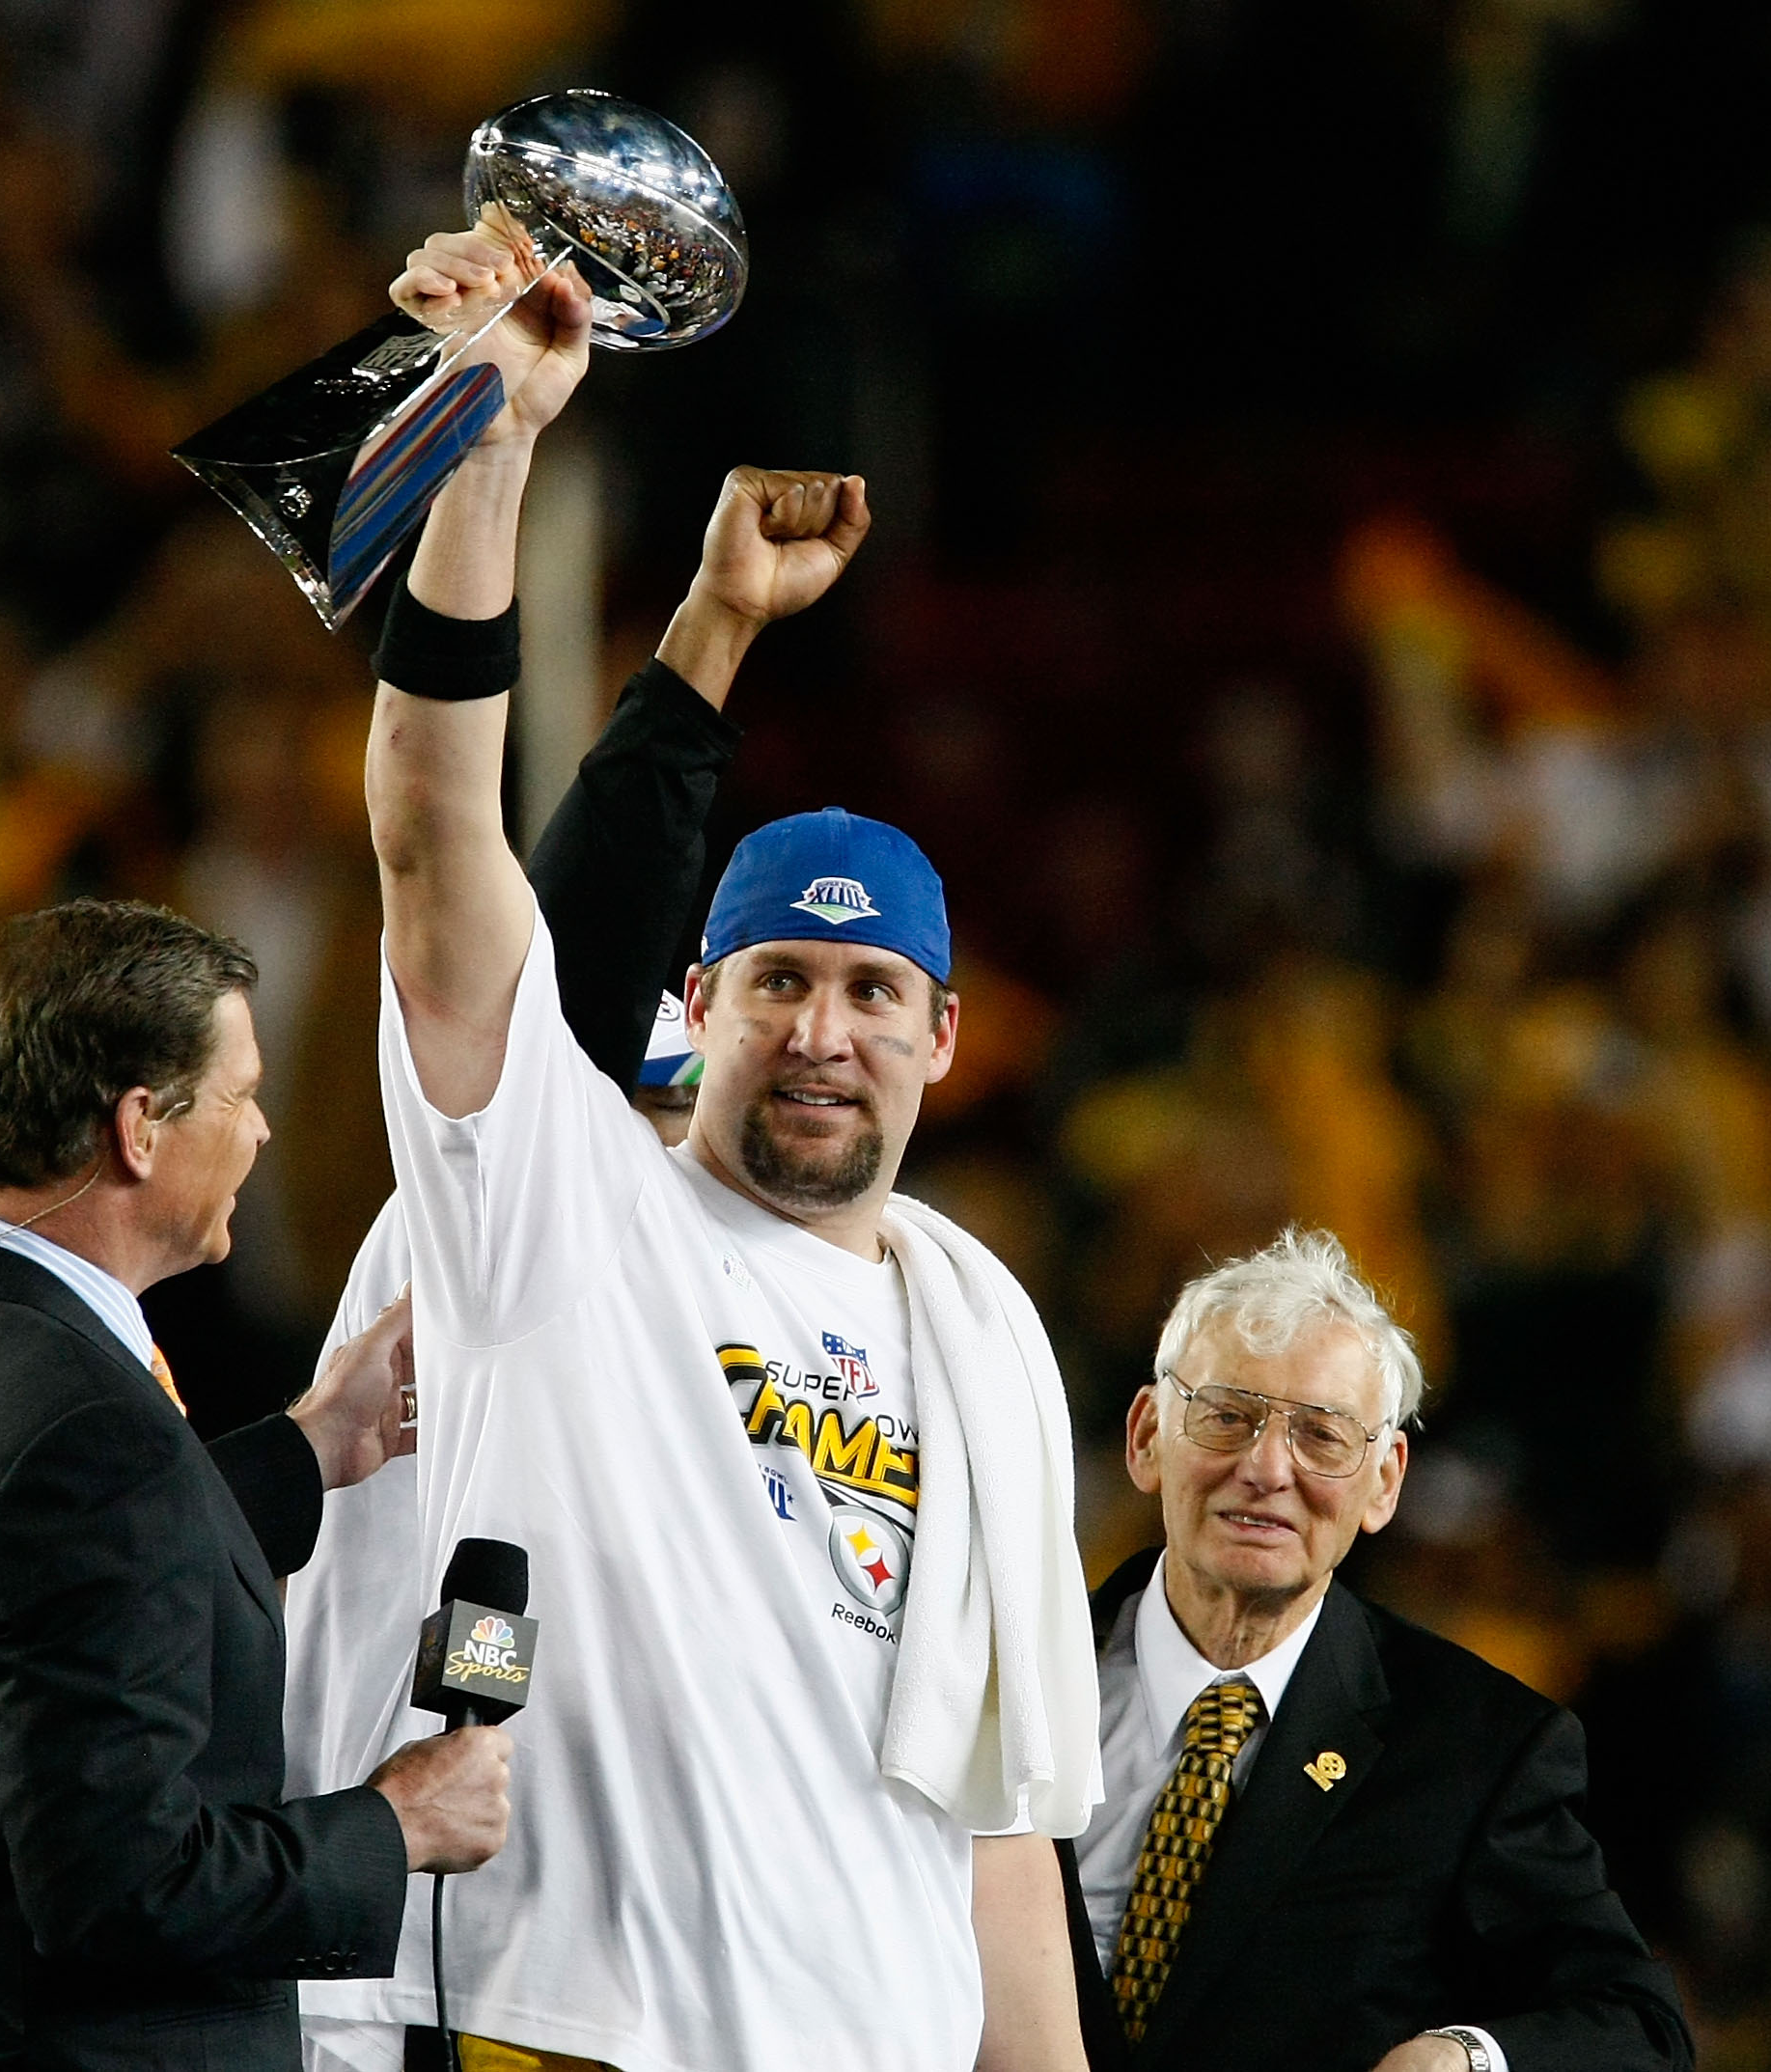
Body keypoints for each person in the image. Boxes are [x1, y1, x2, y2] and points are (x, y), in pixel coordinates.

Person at [338, 214, 1102, 2072]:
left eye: (868, 989)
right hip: (579, 2036)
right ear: (705, 1001)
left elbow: (996, 1816)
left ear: (944, 1035)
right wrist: (495, 453)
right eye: (777, 980)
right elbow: (443, 839)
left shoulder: (983, 1337)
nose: (821, 1031)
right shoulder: (564, 1212)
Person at [286, 461, 837, 1992]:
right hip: (406, 1959)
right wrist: (710, 635)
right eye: (638, 1100)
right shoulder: (506, 1209)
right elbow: (547, 915)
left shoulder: (782, 1299)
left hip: (629, 1967)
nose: (651, 1147)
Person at [0, 900, 512, 2072]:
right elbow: (122, 1886)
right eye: (239, 1094)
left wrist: (307, 1447)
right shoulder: (90, 1436)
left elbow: (26, 1579)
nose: (265, 1129)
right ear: (139, 1126)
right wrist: (395, 1823)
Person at [1057, 1227, 1692, 2072]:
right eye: (1226, 1416)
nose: (1266, 1467)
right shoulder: (1008, 1671)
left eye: (1321, 1436)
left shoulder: (1477, 1751)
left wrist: (1464, 2056)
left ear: (1384, 1481)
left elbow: (1639, 2028)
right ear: (1145, 1436)